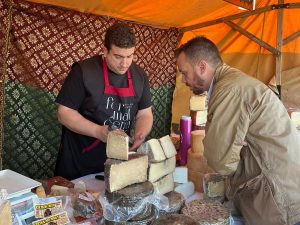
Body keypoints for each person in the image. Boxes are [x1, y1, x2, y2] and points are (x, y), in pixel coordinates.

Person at [176, 36, 300, 225]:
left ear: (202, 66)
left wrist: (225, 146)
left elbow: (220, 161)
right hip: (279, 190)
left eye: (185, 73)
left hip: (277, 199)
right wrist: (234, 144)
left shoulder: (229, 90)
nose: (183, 80)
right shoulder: (231, 83)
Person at [54, 23, 153, 180]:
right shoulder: (83, 71)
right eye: (118, 56)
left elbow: (144, 113)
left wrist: (141, 133)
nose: (125, 63)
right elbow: (64, 113)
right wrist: (98, 132)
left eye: (130, 56)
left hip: (117, 164)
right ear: (105, 50)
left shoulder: (139, 76)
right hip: (80, 162)